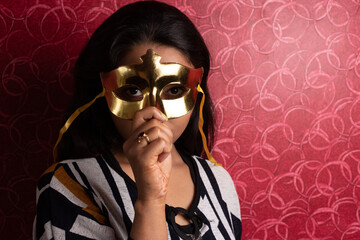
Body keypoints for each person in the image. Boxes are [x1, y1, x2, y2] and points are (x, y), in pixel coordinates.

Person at [33, 1, 242, 239]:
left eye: (174, 90)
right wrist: (150, 200)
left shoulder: (218, 181)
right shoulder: (68, 186)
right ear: (103, 94)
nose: (154, 112)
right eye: (132, 91)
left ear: (197, 93)